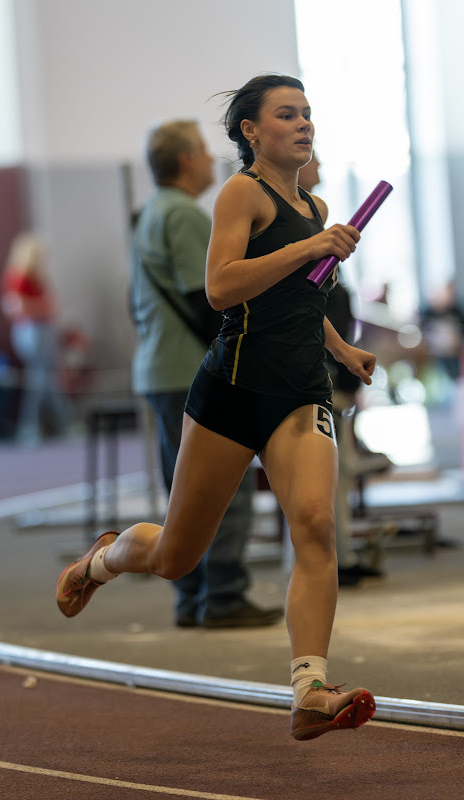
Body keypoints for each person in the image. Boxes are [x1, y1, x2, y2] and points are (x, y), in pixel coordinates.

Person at [56, 73, 377, 741]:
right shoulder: (241, 194)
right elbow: (221, 288)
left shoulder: (315, 206)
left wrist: (342, 349)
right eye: (287, 114)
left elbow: (298, 299)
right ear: (251, 131)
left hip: (300, 391)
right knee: (176, 556)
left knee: (316, 524)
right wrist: (311, 246)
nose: (304, 123)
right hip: (232, 390)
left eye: (307, 113)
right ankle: (101, 560)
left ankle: (309, 690)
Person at [131, 119, 283, 629]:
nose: (210, 157)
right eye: (201, 148)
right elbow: (213, 298)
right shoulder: (185, 216)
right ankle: (223, 595)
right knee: (223, 489)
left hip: (158, 366)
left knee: (182, 494)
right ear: (185, 161)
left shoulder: (149, 213)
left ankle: (190, 596)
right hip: (193, 369)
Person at [298, 155, 387, 587]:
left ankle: (340, 557)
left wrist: (344, 355)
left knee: (338, 472)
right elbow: (297, 302)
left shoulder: (314, 215)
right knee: (317, 483)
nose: (316, 162)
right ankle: (324, 562)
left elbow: (317, 304)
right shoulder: (279, 215)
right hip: (306, 373)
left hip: (328, 368)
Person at [0, 232, 72, 444]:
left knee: (46, 378)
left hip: (44, 328)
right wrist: (43, 306)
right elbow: (17, 307)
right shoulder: (18, 277)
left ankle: (57, 422)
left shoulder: (36, 278)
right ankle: (33, 426)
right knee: (40, 380)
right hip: (31, 330)